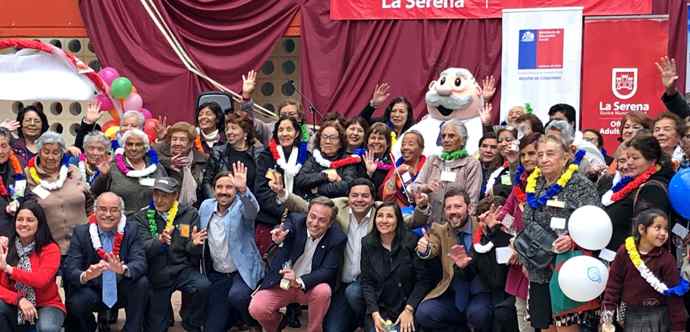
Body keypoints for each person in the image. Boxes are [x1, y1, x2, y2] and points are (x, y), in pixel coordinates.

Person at [514, 135, 600, 331]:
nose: (543, 159)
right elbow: (527, 220)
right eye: (540, 154)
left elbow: (594, 222)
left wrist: (572, 238)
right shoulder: (534, 183)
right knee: (545, 325)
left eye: (550, 154)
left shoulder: (580, 184)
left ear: (566, 157)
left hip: (566, 268)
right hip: (538, 267)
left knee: (566, 327)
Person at [276, 178, 378, 332]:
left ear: (373, 199)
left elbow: (408, 221)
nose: (359, 199)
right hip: (342, 283)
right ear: (348, 197)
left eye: (365, 196)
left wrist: (422, 208)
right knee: (333, 329)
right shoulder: (339, 206)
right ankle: (354, 320)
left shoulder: (382, 214)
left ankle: (365, 319)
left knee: (355, 293)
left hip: (368, 282)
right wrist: (283, 193)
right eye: (355, 195)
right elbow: (308, 208)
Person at [248, 196, 347, 332]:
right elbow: (286, 228)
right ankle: (276, 325)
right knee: (257, 308)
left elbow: (328, 270)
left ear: (330, 224)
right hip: (282, 283)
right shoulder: (296, 221)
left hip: (309, 286)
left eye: (322, 220)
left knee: (323, 290)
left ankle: (314, 330)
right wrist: (280, 234)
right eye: (312, 216)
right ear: (307, 214)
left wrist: (299, 282)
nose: (315, 223)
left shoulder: (337, 238)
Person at [132, 177, 209, 332]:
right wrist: (158, 241)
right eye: (156, 195)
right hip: (156, 274)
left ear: (175, 196)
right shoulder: (141, 217)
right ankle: (164, 315)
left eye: (165, 195)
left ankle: (191, 321)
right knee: (156, 328)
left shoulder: (190, 214)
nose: (159, 200)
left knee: (204, 286)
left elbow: (193, 250)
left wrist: (194, 245)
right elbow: (142, 248)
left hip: (182, 269)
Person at [63, 192, 148, 332]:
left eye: (114, 210)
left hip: (121, 286)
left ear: (121, 212)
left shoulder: (131, 230)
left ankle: (132, 328)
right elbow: (70, 268)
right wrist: (86, 275)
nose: (108, 214)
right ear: (94, 211)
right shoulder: (81, 232)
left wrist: (123, 269)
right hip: (93, 288)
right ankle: (89, 326)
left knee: (141, 283)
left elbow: (140, 262)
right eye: (103, 209)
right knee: (77, 301)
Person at [414, 187, 491, 331]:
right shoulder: (440, 230)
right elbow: (431, 247)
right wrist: (425, 248)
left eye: (458, 206)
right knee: (425, 313)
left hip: (479, 291)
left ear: (469, 208)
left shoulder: (481, 225)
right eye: (448, 207)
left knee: (479, 315)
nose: (453, 211)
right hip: (453, 295)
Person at [199, 165, 263, 332]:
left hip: (241, 273)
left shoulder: (241, 206)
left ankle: (253, 322)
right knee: (213, 328)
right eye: (219, 187)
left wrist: (243, 190)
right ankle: (235, 319)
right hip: (218, 274)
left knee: (238, 297)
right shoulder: (206, 206)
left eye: (229, 187)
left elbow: (253, 210)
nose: (224, 191)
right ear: (213, 189)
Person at [601, 209, 687, 332]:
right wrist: (607, 316)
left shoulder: (667, 259)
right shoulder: (624, 252)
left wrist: (679, 327)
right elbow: (614, 284)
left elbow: (674, 296)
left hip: (658, 316)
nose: (663, 233)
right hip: (631, 314)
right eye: (658, 228)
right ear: (642, 229)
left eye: (666, 229)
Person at [361, 202, 436, 332]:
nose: (384, 220)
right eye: (380, 216)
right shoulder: (367, 243)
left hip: (408, 304)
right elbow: (367, 282)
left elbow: (423, 280)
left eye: (389, 216)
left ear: (398, 220)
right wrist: (375, 313)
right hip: (381, 306)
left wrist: (409, 309)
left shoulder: (411, 240)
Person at [495, 132, 541, 332]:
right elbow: (507, 215)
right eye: (524, 155)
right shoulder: (520, 183)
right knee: (523, 316)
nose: (528, 159)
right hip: (518, 262)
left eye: (533, 153)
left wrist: (519, 245)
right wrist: (497, 221)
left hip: (542, 262)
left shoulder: (552, 184)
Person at [600, 134, 673, 251]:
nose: (629, 162)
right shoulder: (631, 181)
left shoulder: (652, 189)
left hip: (637, 261)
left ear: (652, 160)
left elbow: (650, 235)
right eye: (628, 157)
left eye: (635, 158)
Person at [0, 201, 64, 332]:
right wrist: (19, 300)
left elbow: (40, 280)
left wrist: (9, 269)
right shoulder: (5, 247)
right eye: (20, 219)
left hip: (46, 304)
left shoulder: (50, 249)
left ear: (39, 223)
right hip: (13, 303)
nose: (24, 224)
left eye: (30, 220)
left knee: (48, 329)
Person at [25, 131, 91, 254]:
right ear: (39, 153)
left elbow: (89, 202)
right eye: (46, 152)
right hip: (48, 249)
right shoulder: (27, 175)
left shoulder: (74, 171)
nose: (51, 157)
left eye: (56, 152)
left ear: (62, 154)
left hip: (82, 246)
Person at [254, 116, 309, 255]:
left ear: (297, 133)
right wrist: (284, 212)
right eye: (281, 130)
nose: (284, 134)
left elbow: (305, 185)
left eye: (289, 129)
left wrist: (295, 212)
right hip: (270, 217)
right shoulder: (266, 156)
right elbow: (261, 190)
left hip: (299, 217)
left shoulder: (306, 156)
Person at [411, 119, 482, 223]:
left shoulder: (472, 164)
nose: (446, 140)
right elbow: (413, 188)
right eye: (443, 136)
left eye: (451, 136)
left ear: (462, 140)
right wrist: (425, 187)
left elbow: (472, 203)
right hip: (430, 225)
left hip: (456, 227)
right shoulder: (433, 160)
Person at [92, 128, 166, 216]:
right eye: (130, 144)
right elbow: (95, 192)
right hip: (121, 220)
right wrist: (103, 176)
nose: (133, 148)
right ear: (124, 146)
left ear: (145, 147)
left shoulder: (156, 167)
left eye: (138, 145)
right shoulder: (112, 166)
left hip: (152, 220)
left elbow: (166, 192)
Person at [202, 110, 261, 201]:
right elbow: (206, 182)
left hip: (251, 205)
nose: (229, 132)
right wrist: (217, 203)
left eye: (233, 128)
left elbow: (262, 186)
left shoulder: (259, 153)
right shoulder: (218, 152)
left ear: (245, 132)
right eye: (227, 129)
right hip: (223, 206)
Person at [294, 121, 359, 200]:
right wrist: (324, 175)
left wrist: (317, 189)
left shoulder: (348, 160)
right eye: (324, 137)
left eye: (333, 138)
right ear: (319, 141)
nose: (328, 141)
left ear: (341, 143)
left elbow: (347, 186)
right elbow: (300, 180)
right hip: (311, 203)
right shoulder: (314, 158)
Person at [154, 121, 207, 208]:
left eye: (182, 140)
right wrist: (168, 162)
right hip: (164, 206)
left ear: (190, 143)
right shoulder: (158, 153)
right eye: (174, 139)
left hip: (192, 210)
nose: (177, 143)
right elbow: (149, 158)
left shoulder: (201, 159)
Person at [381, 130, 426, 209]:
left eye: (410, 144)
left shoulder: (428, 167)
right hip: (400, 213)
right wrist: (395, 174)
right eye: (403, 144)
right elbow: (386, 199)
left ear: (421, 148)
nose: (405, 147)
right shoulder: (396, 166)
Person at [0, 129, 26, 236]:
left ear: (10, 148)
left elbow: (26, 193)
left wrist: (17, 201)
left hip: (16, 230)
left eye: (4, 146)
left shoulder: (18, 164)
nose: (0, 151)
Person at [360, 122, 394, 199]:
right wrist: (369, 173)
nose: (376, 141)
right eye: (373, 138)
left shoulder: (392, 164)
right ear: (367, 141)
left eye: (380, 138)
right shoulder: (359, 159)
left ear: (388, 143)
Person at [486, 127, 520, 199]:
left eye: (508, 140)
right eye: (500, 141)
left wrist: (496, 190)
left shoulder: (524, 164)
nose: (503, 144)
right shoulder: (495, 166)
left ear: (518, 141)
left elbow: (520, 187)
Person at [477, 133, 501, 199]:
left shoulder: (504, 170)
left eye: (493, 147)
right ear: (479, 149)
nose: (488, 150)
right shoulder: (471, 168)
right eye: (484, 146)